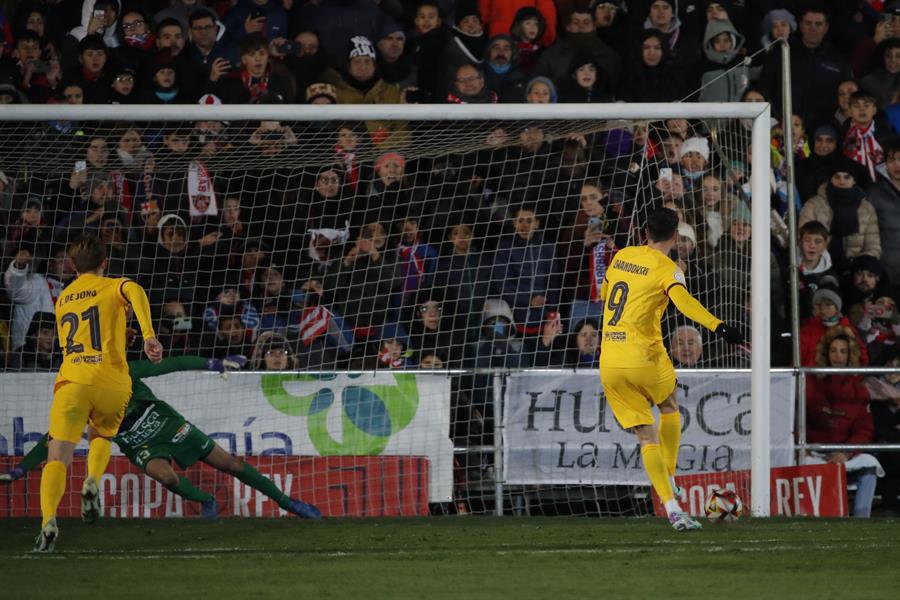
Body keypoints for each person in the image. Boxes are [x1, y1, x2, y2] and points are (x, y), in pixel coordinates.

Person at [2, 355, 322, 521]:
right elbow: (53, 438)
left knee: (233, 464)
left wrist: (211, 363)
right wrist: (19, 470)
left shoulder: (124, 372)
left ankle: (289, 503)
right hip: (142, 445)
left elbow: (169, 365)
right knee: (165, 476)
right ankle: (206, 501)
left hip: (169, 426)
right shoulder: (81, 402)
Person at [598, 208, 742, 531]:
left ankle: (673, 507)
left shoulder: (621, 256)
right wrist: (719, 327)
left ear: (644, 232)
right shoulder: (669, 268)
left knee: (644, 435)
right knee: (669, 405)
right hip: (644, 357)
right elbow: (683, 303)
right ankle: (671, 475)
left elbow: (604, 294)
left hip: (609, 359)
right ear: (675, 237)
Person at [34, 234, 163, 552]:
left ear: (72, 265)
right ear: (104, 263)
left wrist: (122, 331)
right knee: (101, 438)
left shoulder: (63, 297)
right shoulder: (113, 285)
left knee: (57, 458)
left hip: (73, 382)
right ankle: (92, 479)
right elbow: (133, 289)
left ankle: (48, 521)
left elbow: (86, 329)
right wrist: (147, 335)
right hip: (112, 384)